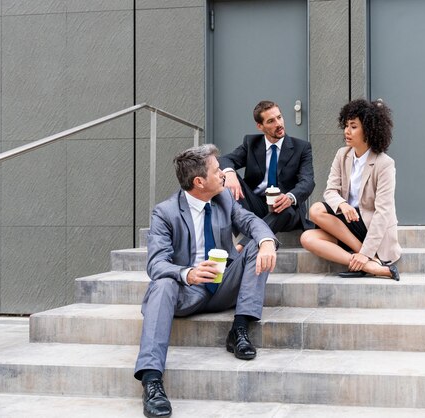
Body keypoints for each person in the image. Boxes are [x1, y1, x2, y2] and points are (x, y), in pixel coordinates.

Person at [134, 144, 278, 418]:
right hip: (187, 292)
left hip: (223, 285)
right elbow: (156, 264)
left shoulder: (223, 198)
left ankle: (239, 329)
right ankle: (152, 380)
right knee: (162, 283)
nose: (223, 175)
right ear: (199, 182)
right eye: (216, 171)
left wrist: (267, 242)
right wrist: (187, 273)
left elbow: (250, 221)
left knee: (259, 245)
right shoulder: (165, 213)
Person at [300, 99, 401, 280]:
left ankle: (365, 256)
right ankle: (373, 267)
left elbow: (383, 213)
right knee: (307, 236)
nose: (347, 131)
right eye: (346, 125)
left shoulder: (384, 164)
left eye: (353, 126)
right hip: (347, 224)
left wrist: (367, 251)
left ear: (368, 130)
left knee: (316, 210)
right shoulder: (342, 154)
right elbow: (330, 191)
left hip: (369, 228)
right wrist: (343, 205)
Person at [219, 100, 315, 249]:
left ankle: (243, 245)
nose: (278, 123)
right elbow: (225, 159)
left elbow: (307, 181)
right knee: (224, 176)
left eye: (279, 117)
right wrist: (230, 174)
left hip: (285, 208)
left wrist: (290, 197)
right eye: (271, 121)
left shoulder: (301, 147)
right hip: (256, 204)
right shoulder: (251, 143)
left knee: (286, 209)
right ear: (260, 126)